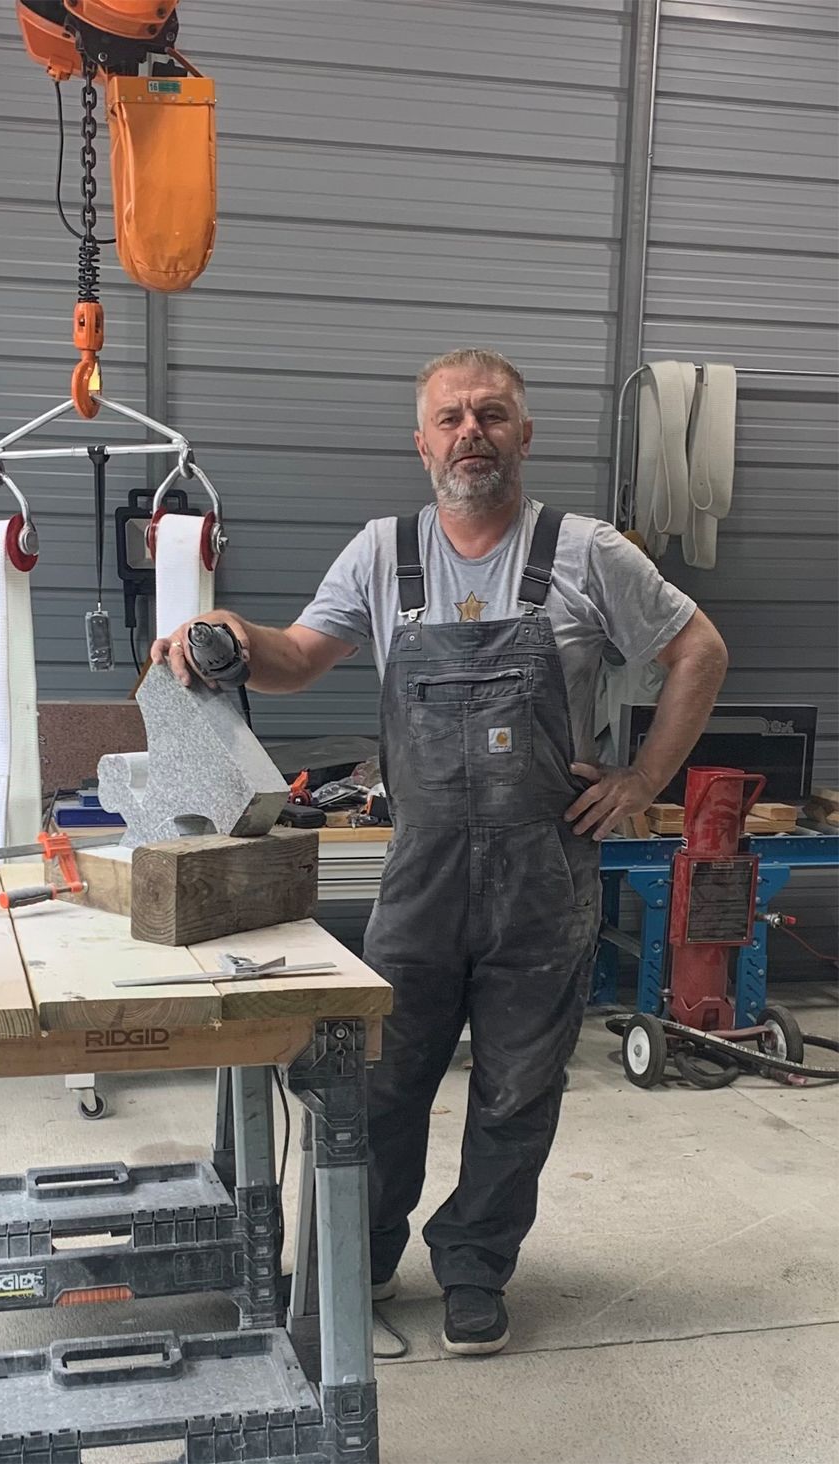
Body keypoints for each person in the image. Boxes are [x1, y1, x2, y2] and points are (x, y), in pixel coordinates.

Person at [152, 348, 728, 1356]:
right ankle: (359, 1260)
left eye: (492, 415)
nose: (472, 433)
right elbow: (296, 657)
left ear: (524, 435)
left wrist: (643, 785)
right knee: (383, 1079)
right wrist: (233, 631)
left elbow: (699, 651)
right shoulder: (383, 553)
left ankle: (473, 1267)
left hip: (543, 883)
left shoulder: (587, 551)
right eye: (451, 419)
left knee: (518, 1089)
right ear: (421, 445)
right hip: (419, 880)